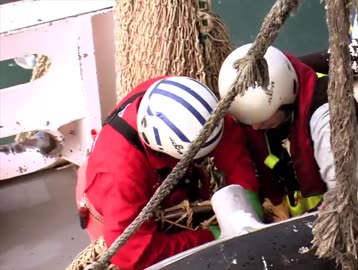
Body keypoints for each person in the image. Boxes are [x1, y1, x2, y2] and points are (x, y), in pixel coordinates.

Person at [75, 75, 263, 270]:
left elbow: (226, 136)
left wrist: (247, 193)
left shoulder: (180, 99)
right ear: (165, 152)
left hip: (165, 182)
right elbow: (134, 254)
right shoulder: (119, 175)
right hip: (110, 209)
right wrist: (211, 237)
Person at [218, 43, 358, 220]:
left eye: (263, 120)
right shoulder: (264, 108)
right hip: (292, 208)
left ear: (286, 102)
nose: (255, 128)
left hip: (331, 214)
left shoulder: (328, 115)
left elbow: (345, 193)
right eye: (249, 122)